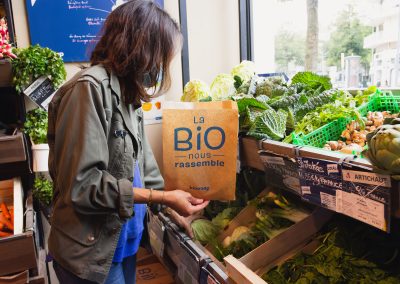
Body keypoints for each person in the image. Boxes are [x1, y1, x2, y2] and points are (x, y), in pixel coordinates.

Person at [47, 1, 209, 283]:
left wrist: (169, 207)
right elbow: (84, 185)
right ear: (140, 49)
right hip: (90, 252)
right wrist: (162, 197)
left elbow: (143, 167)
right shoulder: (89, 90)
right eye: (161, 57)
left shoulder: (129, 95)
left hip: (123, 243)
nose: (161, 68)